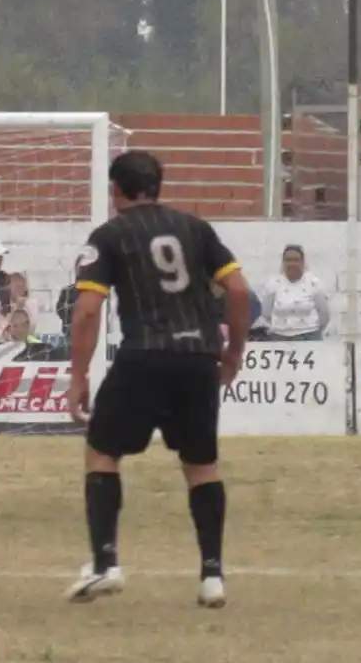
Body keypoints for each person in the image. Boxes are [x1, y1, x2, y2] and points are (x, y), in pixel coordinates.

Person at [65, 149, 251, 610]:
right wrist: (233, 352)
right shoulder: (196, 228)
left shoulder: (109, 236)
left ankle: (106, 563)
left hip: (144, 355)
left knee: (102, 452)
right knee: (201, 464)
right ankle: (212, 576)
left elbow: (87, 310)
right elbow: (239, 289)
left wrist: (78, 375)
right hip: (198, 359)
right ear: (157, 186)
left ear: (115, 190)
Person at [257, 244, 329, 342]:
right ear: (283, 262)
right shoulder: (273, 285)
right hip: (279, 336)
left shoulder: (314, 284)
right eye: (288, 260)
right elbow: (266, 313)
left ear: (302, 262)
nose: (292, 264)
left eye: (296, 260)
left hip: (309, 336)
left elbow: (324, 314)